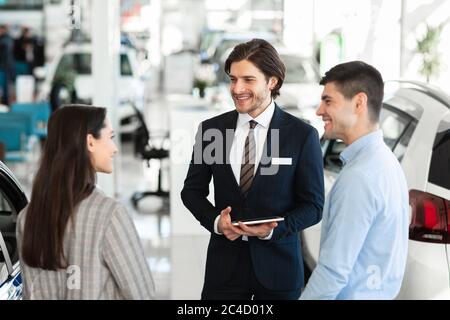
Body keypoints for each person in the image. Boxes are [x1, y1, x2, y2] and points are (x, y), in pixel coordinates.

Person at [181, 39, 324, 300]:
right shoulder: (212, 131)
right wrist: (215, 221)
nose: (237, 89)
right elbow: (191, 191)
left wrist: (273, 229)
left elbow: (313, 206)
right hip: (224, 270)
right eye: (233, 79)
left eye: (248, 80)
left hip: (279, 270)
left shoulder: (301, 135)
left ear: (272, 82)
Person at [16, 105, 155, 299]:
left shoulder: (27, 218)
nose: (114, 149)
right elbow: (142, 294)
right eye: (110, 137)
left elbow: (31, 292)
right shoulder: (110, 215)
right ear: (90, 142)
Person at [300, 61, 409, 300]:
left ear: (359, 102)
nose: (319, 111)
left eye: (328, 101)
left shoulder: (360, 177)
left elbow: (332, 273)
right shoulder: (387, 164)